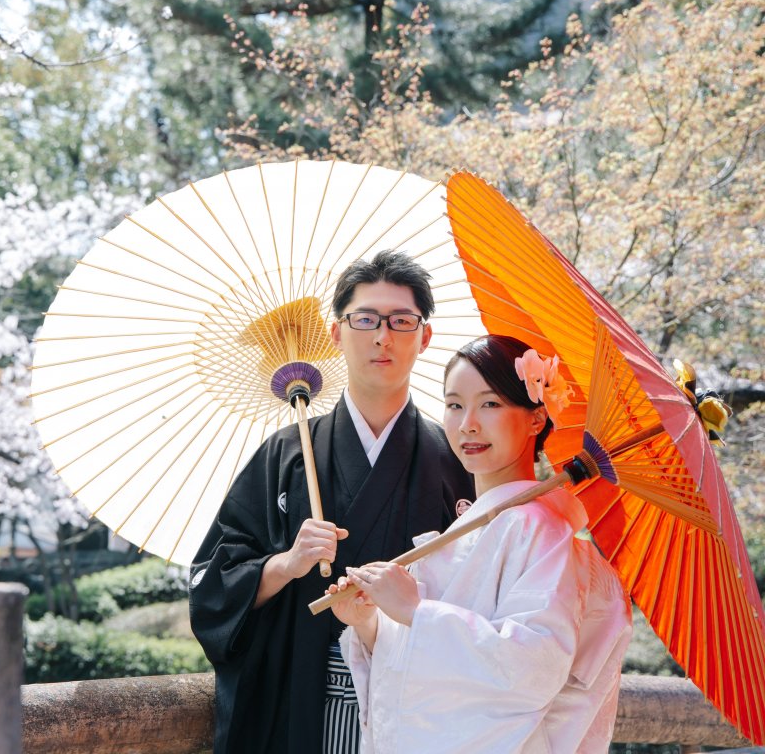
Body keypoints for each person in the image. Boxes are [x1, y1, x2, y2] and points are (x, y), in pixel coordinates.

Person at [189, 250, 475, 754]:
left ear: (424, 337)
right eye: (364, 319)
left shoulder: (453, 460)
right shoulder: (284, 454)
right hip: (297, 698)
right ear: (336, 334)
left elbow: (476, 599)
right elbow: (212, 586)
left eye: (401, 321)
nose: (382, 336)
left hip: (413, 706)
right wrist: (285, 564)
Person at [330, 334, 633, 753]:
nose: (467, 422)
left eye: (489, 404)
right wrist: (371, 623)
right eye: (454, 404)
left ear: (535, 417)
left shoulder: (542, 527)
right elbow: (424, 664)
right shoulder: (484, 523)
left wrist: (416, 611)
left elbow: (533, 663)